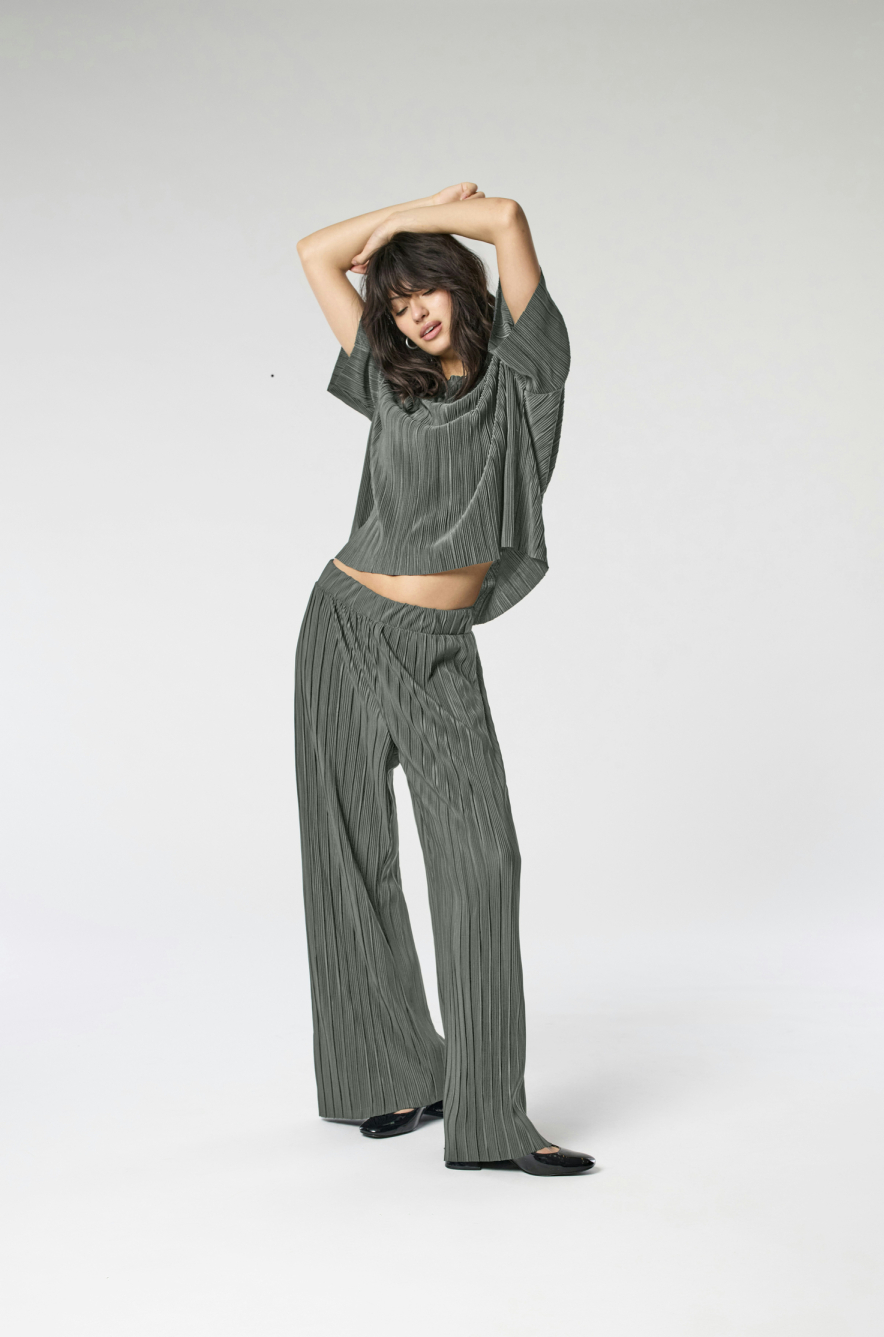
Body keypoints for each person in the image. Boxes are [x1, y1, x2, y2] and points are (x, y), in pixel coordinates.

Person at [293, 182, 594, 1177]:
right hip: (342, 625)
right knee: (349, 854)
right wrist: (404, 218)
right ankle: (391, 1075)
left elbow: (505, 220)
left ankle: (491, 1121)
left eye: (423, 290)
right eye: (394, 301)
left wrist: (418, 226)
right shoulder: (386, 379)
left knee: (481, 862)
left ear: (459, 286)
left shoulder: (524, 370)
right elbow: (312, 253)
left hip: (435, 647)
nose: (412, 313)